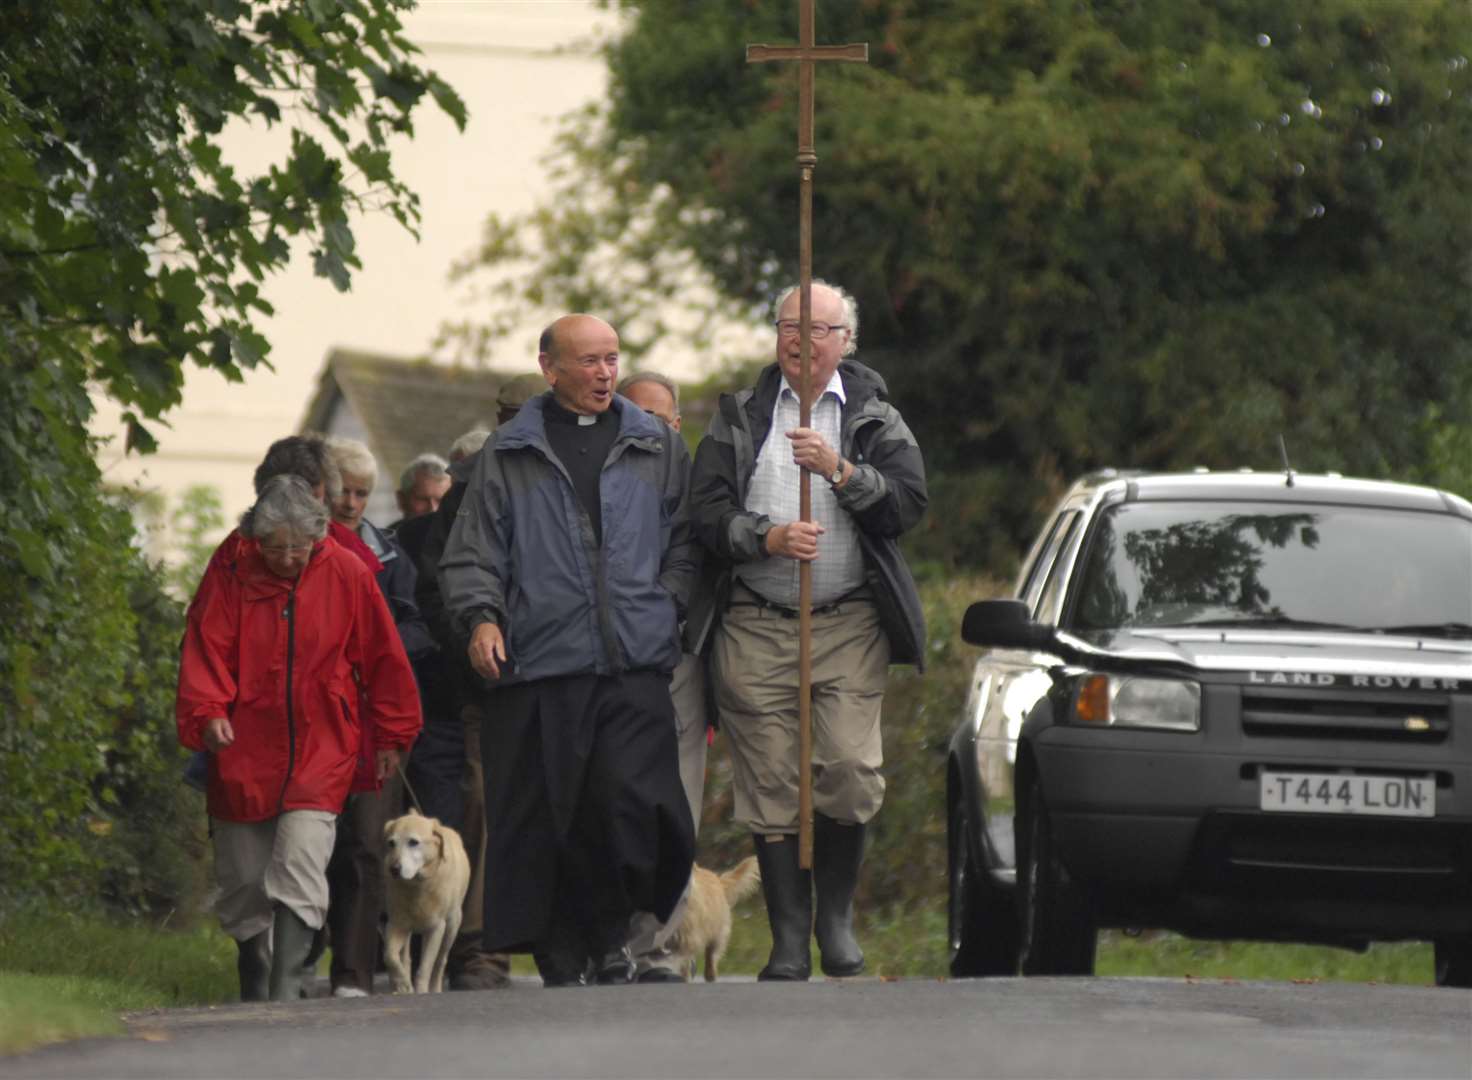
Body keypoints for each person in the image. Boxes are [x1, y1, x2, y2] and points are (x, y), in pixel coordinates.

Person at [439, 314, 696, 986]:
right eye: (588, 361)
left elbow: (690, 542)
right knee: (555, 814)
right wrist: (483, 620)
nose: (604, 373)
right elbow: (473, 555)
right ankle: (566, 944)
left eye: (612, 358)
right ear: (549, 368)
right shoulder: (507, 455)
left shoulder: (657, 448)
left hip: (634, 658)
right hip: (541, 663)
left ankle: (613, 927)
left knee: (631, 804)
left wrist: (665, 601)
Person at [688, 280, 927, 980]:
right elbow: (704, 513)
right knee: (770, 782)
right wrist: (765, 538)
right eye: (788, 324)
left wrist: (842, 472)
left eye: (818, 328)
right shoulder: (739, 414)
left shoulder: (876, 416)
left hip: (848, 622)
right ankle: (789, 937)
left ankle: (836, 917)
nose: (801, 338)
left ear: (844, 341)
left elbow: (908, 502)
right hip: (755, 624)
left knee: (849, 773)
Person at [176, 475, 422, 1003]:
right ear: (254, 540)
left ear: (317, 537)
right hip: (243, 742)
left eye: (298, 548)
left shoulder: (347, 571)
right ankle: (254, 964)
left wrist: (392, 732)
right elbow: (204, 646)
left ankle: (285, 989)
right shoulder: (230, 570)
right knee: (243, 878)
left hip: (322, 740)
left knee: (303, 860)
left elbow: (383, 657)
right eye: (276, 548)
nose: (288, 559)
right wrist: (208, 712)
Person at [321, 437, 436, 998]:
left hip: (376, 722)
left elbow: (417, 628)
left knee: (370, 843)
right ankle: (302, 958)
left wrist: (381, 636)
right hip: (318, 719)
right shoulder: (299, 549)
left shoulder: (390, 557)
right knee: (319, 844)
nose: (351, 503)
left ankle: (354, 972)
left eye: (362, 493)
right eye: (343, 490)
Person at [617, 371, 712, 983]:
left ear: (678, 425)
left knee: (676, 804)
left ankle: (656, 947)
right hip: (607, 660)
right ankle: (608, 940)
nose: (652, 429)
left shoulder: (699, 484)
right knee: (614, 803)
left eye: (663, 418)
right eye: (638, 415)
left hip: (677, 656)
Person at [392, 453, 452, 528]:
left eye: (442, 501)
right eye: (422, 500)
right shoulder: (383, 539)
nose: (433, 509)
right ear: (401, 500)